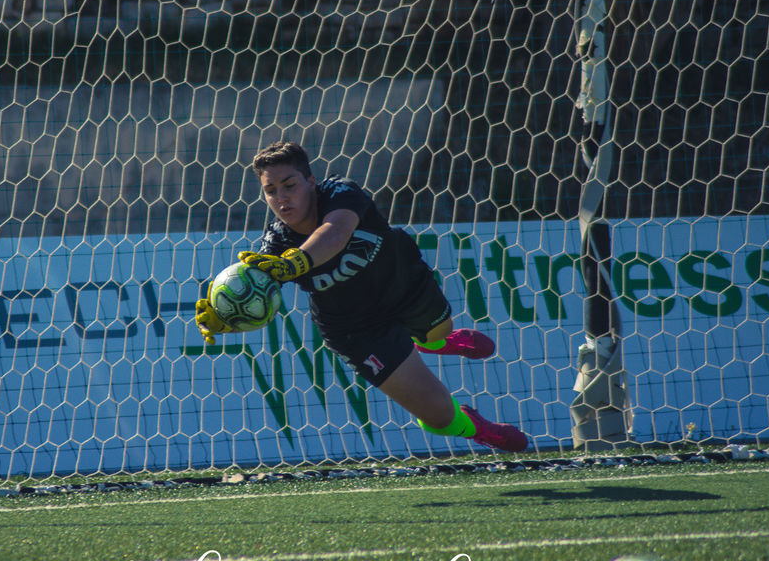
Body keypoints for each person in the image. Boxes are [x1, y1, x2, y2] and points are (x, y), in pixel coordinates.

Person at [195, 140, 527, 453]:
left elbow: (336, 232)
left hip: (403, 285)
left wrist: (299, 260)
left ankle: (436, 342)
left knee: (436, 331)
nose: (281, 197)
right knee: (439, 416)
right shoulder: (277, 244)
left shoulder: (341, 192)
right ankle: (477, 428)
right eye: (270, 191)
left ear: (311, 181)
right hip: (356, 329)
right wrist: (227, 320)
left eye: (290, 184)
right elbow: (258, 295)